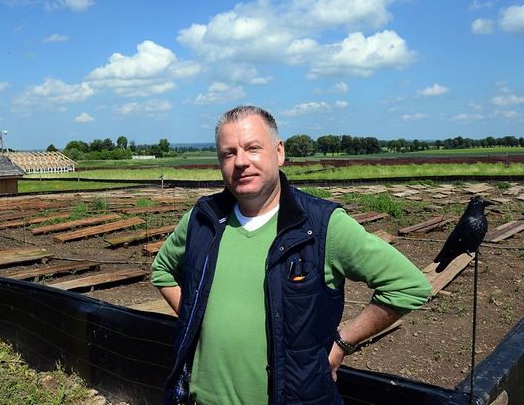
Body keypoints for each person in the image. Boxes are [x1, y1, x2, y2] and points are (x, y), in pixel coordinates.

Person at [152, 105, 432, 405]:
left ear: (279, 152)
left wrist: (342, 343)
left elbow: (409, 287)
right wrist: (196, 317)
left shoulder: (322, 225)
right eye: (228, 153)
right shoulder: (202, 220)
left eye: (253, 148)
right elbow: (162, 270)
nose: (241, 162)